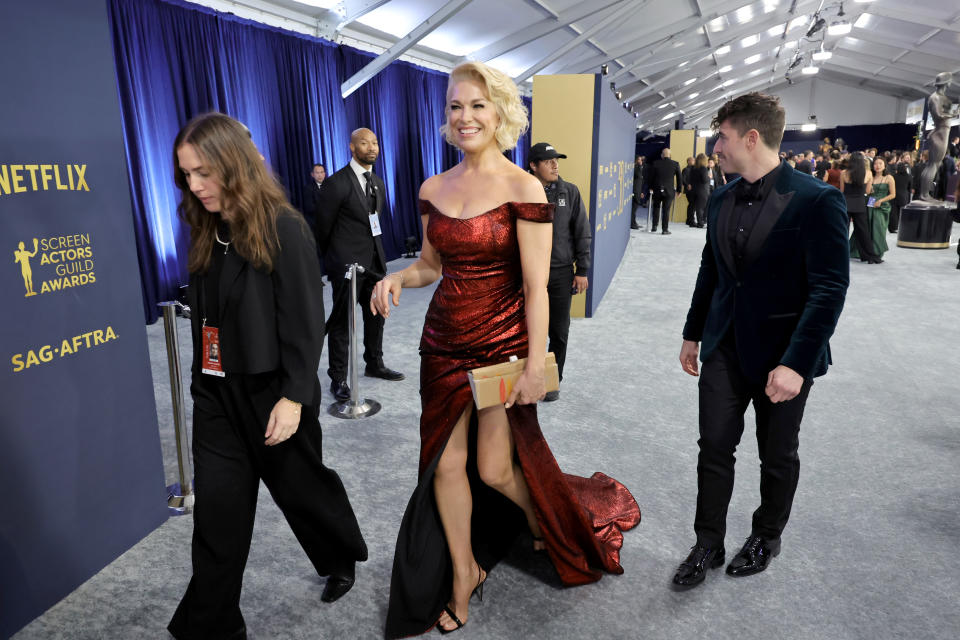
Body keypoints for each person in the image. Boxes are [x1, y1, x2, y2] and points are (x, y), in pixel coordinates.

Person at [373, 61, 640, 637]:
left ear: (499, 112)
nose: (465, 117)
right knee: (444, 463)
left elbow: (537, 287)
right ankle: (464, 571)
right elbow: (429, 265)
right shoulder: (432, 188)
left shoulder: (526, 187)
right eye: (454, 106)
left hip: (500, 346)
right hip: (441, 343)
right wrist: (397, 278)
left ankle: (539, 514)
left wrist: (536, 365)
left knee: (494, 470)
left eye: (477, 105)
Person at [167, 113, 367, 639]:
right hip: (218, 397)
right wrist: (202, 383)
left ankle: (340, 555)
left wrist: (296, 398)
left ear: (234, 164)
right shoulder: (206, 226)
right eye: (187, 174)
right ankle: (211, 629)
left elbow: (305, 323)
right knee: (218, 522)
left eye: (205, 172)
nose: (196, 185)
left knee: (302, 491)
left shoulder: (284, 226)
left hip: (275, 394)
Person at [674, 92, 849, 589]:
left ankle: (766, 536)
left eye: (721, 138)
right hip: (725, 345)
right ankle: (707, 541)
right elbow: (712, 272)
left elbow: (829, 289)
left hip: (785, 354)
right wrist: (692, 333)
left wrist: (796, 363)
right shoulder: (724, 195)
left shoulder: (818, 199)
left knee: (776, 455)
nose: (715, 148)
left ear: (751, 137)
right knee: (714, 448)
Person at [316, 128, 404, 402]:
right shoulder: (337, 183)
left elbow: (375, 224)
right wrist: (335, 262)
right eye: (365, 143)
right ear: (352, 147)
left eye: (375, 142)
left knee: (376, 315)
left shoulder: (377, 181)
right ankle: (339, 377)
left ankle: (374, 363)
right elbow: (322, 229)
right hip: (347, 268)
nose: (372, 147)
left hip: (375, 263)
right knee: (342, 322)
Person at [527, 141, 592, 401]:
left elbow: (582, 232)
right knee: (527, 330)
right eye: (548, 161)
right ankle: (525, 379)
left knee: (559, 331)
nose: (555, 165)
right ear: (533, 165)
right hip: (527, 275)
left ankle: (552, 381)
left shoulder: (570, 192)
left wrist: (582, 269)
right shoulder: (520, 191)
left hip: (560, 273)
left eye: (557, 160)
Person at [842, 152, 881, 263]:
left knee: (843, 230)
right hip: (860, 204)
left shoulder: (844, 173)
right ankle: (869, 256)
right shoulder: (868, 173)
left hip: (846, 204)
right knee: (863, 231)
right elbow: (868, 191)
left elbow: (841, 191)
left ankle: (840, 254)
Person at [855, 157, 895, 260]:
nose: (877, 166)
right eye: (875, 164)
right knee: (867, 228)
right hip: (870, 202)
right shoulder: (870, 176)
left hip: (882, 205)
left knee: (879, 228)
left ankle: (877, 252)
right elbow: (867, 193)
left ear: (885, 165)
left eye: (880, 163)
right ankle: (865, 251)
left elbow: (893, 194)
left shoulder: (889, 177)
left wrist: (881, 201)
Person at [649, 147, 681, 234]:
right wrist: (679, 190)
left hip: (657, 189)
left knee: (656, 207)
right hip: (669, 190)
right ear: (670, 155)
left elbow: (651, 177)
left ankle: (654, 226)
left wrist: (651, 187)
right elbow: (679, 178)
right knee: (666, 210)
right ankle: (664, 229)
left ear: (662, 155)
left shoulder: (656, 163)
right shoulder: (675, 164)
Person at [890, 154, 912, 233]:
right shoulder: (909, 176)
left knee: (894, 213)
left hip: (894, 196)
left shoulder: (894, 176)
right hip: (904, 196)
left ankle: (893, 227)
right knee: (902, 213)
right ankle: (903, 227)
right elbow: (910, 187)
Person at [688, 153, 710, 228]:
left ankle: (691, 221)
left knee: (693, 206)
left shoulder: (693, 168)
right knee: (700, 207)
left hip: (694, 190)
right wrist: (709, 177)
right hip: (702, 190)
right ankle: (700, 223)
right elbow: (704, 180)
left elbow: (690, 179)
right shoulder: (703, 168)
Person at [302, 163, 325, 229]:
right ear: (312, 174)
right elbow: (309, 207)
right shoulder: (308, 188)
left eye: (321, 172)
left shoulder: (330, 186)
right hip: (315, 222)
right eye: (317, 173)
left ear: (324, 174)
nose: (320, 175)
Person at [630, 155, 646, 229]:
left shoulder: (640, 168)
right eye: (639, 160)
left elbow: (641, 182)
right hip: (634, 191)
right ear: (636, 160)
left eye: (641, 160)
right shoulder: (635, 168)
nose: (640, 161)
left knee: (635, 208)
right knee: (633, 209)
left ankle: (634, 222)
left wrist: (641, 192)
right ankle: (632, 224)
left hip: (638, 191)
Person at [682, 156, 695, 226]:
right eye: (692, 160)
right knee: (691, 205)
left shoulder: (695, 170)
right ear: (688, 161)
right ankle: (690, 220)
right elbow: (683, 180)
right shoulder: (685, 169)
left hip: (694, 190)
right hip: (689, 190)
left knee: (692, 205)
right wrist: (687, 185)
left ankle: (689, 220)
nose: (694, 161)